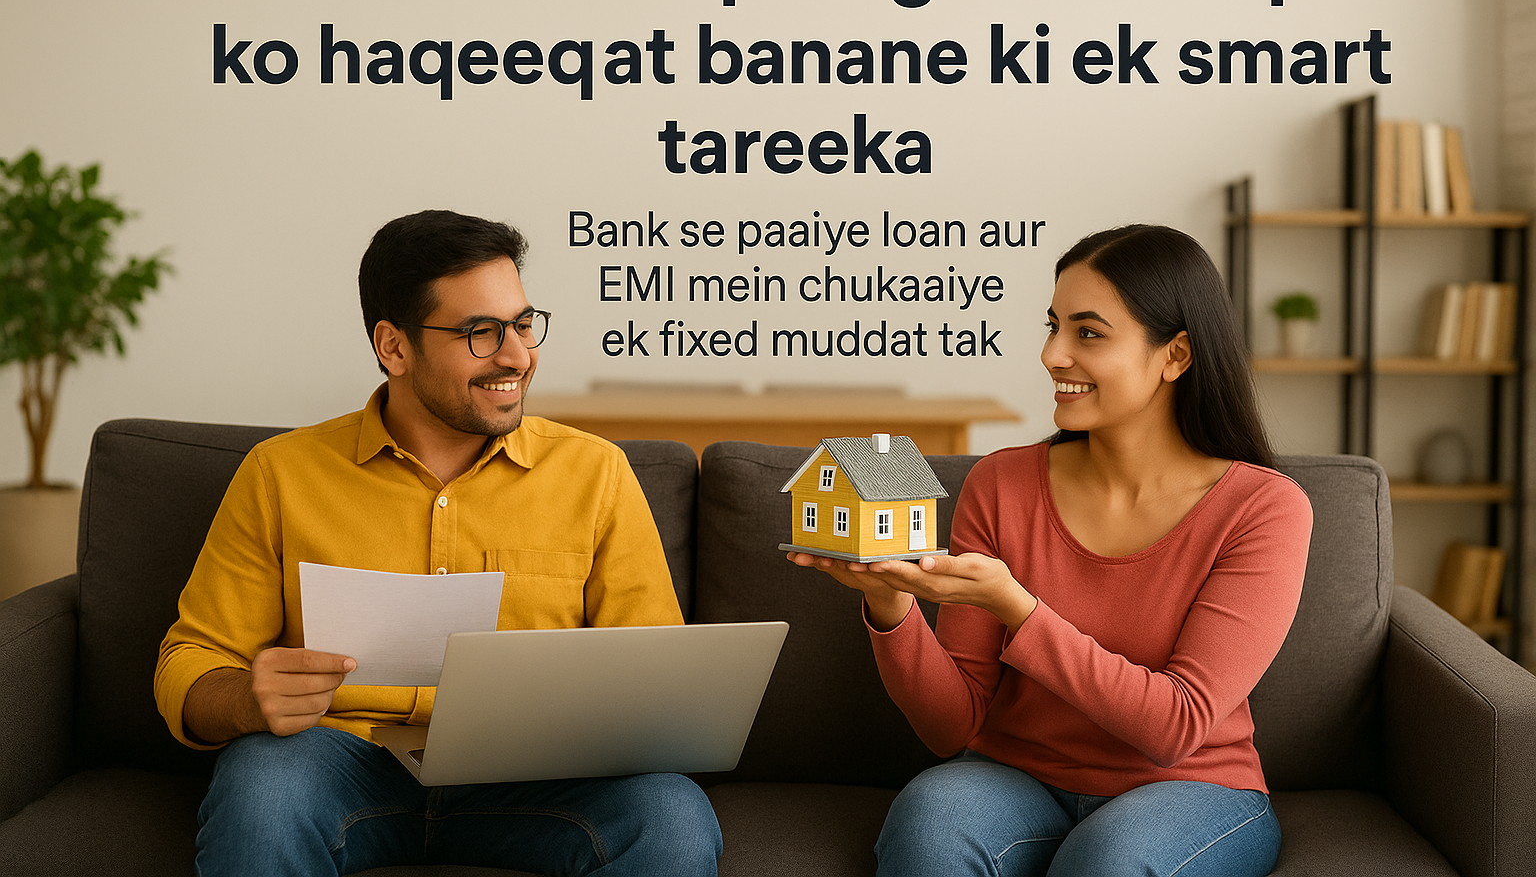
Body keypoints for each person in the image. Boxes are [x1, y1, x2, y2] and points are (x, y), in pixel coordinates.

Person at [154, 209, 721, 877]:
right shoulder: (280, 475)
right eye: (481, 333)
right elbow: (191, 663)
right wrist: (248, 699)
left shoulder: (596, 474)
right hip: (340, 761)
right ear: (394, 347)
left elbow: (656, 677)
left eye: (523, 324)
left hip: (535, 780)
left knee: (672, 815)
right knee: (263, 788)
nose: (517, 356)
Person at [788, 223, 1313, 877]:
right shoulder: (1001, 484)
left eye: (1088, 333)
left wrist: (1018, 609)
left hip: (1191, 787)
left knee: (1110, 862)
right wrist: (891, 606)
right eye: (1053, 326)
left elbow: (1175, 727)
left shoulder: (1263, 508)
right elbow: (951, 728)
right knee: (930, 821)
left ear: (1175, 355)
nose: (1052, 355)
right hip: (1016, 778)